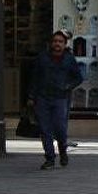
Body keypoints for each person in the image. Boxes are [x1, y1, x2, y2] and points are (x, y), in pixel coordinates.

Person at [29, 31, 83, 169]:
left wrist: (68, 86)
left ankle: (63, 150)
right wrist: (31, 96)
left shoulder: (69, 59)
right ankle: (50, 158)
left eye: (60, 42)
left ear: (65, 44)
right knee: (45, 129)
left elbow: (78, 77)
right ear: (51, 43)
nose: (57, 44)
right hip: (43, 97)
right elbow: (34, 78)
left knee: (60, 128)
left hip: (60, 98)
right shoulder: (42, 58)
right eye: (55, 41)